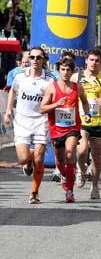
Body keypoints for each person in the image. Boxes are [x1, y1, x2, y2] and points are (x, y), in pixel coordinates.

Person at [3, 47, 55, 204]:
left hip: (41, 121)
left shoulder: (49, 80)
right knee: (24, 158)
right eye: (32, 57)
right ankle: (28, 162)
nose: (35, 60)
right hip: (22, 120)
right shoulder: (20, 76)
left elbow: (52, 100)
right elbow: (13, 91)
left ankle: (34, 192)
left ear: (43, 60)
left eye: (38, 58)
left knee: (39, 158)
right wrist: (7, 111)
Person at [40, 58, 90, 202]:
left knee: (70, 154)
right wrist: (56, 104)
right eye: (63, 69)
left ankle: (69, 190)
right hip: (57, 128)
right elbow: (42, 108)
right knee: (60, 161)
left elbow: (85, 102)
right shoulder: (52, 87)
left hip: (72, 127)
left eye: (68, 70)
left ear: (72, 71)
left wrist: (86, 114)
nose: (66, 72)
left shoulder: (77, 87)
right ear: (58, 71)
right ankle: (63, 173)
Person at [72, 50, 101, 199]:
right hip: (81, 120)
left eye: (97, 61)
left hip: (98, 121)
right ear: (86, 61)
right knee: (82, 150)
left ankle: (95, 186)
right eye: (92, 60)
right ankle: (81, 170)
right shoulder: (77, 77)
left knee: (96, 156)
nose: (94, 63)